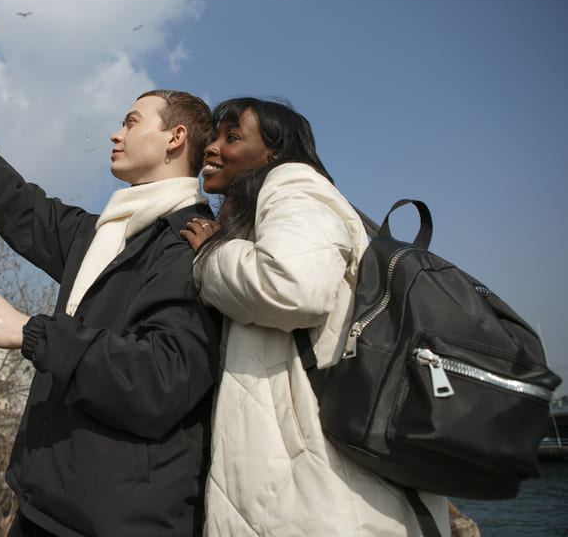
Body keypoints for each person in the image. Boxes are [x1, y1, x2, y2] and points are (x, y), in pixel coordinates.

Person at [0, 41, 221, 537]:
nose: (115, 134)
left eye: (132, 122)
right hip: (41, 506)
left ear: (175, 138)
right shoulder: (102, 236)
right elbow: (17, 203)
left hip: (118, 522)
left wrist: (32, 332)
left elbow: (162, 378)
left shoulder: (194, 247)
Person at [181, 97, 450, 536]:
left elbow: (291, 287)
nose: (212, 147)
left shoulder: (295, 186)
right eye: (213, 136)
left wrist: (210, 256)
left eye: (231, 136)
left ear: (274, 153)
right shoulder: (268, 209)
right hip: (312, 490)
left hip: (334, 499)